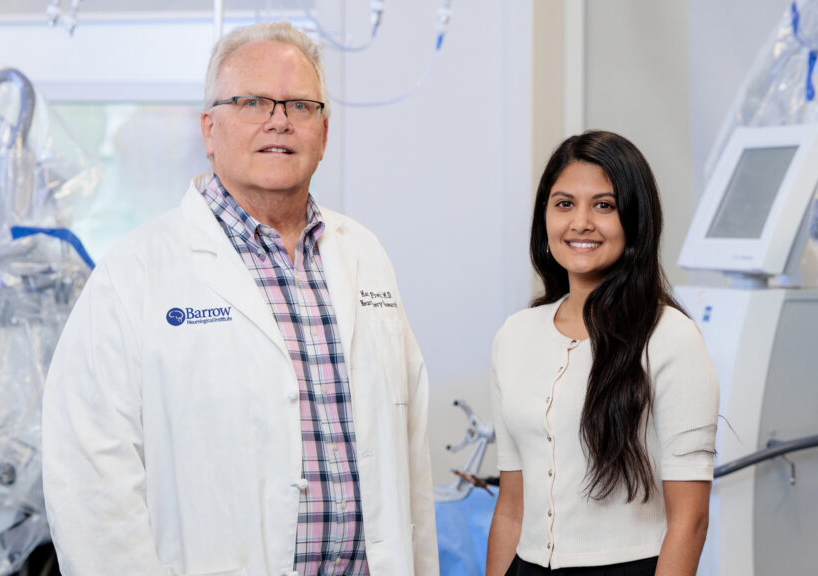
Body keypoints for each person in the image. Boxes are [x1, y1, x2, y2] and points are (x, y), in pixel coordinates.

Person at [42, 21, 439, 576]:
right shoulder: (134, 272)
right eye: (252, 101)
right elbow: (88, 478)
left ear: (324, 133)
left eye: (300, 105)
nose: (279, 119)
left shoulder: (365, 255)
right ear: (210, 129)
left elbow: (409, 454)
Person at [486, 131, 719, 576]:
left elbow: (690, 522)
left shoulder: (671, 338)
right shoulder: (514, 336)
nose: (581, 223)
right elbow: (512, 508)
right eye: (564, 203)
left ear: (634, 220)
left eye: (604, 206)